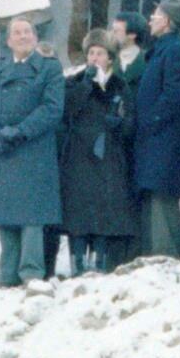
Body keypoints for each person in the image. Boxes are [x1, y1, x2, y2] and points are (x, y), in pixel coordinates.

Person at [0, 14, 67, 287]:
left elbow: (52, 109)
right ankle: (7, 274)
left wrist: (20, 132)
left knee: (32, 215)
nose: (23, 36)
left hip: (33, 149)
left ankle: (31, 272)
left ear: (36, 37)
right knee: (5, 214)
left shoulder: (50, 69)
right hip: (2, 149)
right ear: (8, 40)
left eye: (28, 32)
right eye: (17, 33)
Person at [56, 32, 138, 273]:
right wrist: (86, 85)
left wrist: (119, 124)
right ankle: (77, 262)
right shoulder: (75, 81)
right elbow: (68, 109)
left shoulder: (120, 85)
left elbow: (130, 123)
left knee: (105, 209)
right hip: (79, 155)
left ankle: (100, 261)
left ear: (110, 58)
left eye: (100, 53)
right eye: (91, 52)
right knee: (79, 212)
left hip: (108, 156)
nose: (94, 58)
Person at [129, 3, 180, 258]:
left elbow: (174, 95)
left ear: (167, 22)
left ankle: (165, 253)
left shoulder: (174, 51)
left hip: (164, 140)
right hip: (155, 139)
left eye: (155, 16)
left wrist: (150, 120)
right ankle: (154, 252)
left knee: (161, 197)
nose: (150, 20)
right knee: (152, 195)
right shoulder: (162, 50)